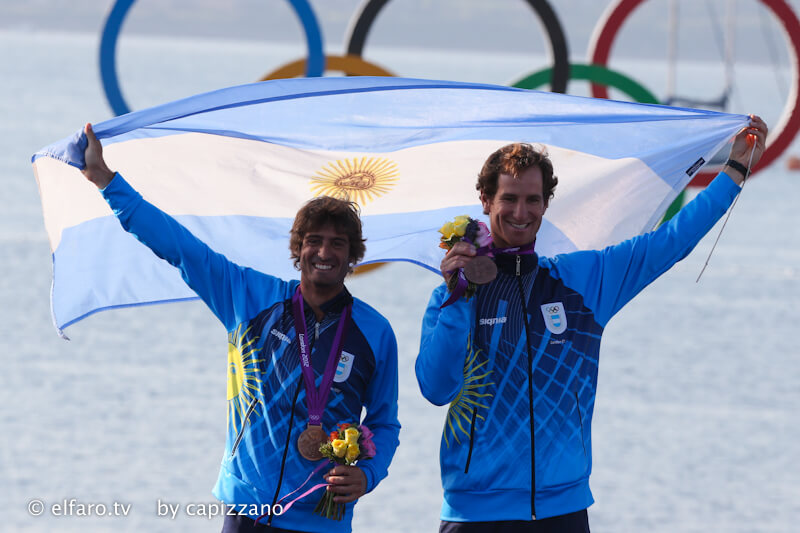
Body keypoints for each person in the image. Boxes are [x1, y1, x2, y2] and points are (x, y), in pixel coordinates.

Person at [415, 116, 768, 532]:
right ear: (485, 200)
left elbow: (671, 241)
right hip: (475, 514)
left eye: (533, 200)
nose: (520, 212)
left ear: (547, 203)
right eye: (508, 198)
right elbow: (436, 390)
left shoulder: (583, 282)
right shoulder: (451, 295)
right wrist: (459, 297)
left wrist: (736, 170)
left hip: (564, 511)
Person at [80, 123, 400, 533]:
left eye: (338, 244)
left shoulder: (376, 332)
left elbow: (384, 421)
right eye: (314, 241)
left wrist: (368, 474)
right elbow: (179, 247)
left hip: (321, 519)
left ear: (353, 255)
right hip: (246, 509)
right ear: (297, 248)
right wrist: (105, 180)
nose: (324, 252)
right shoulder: (248, 297)